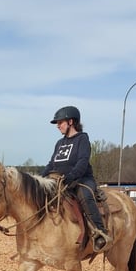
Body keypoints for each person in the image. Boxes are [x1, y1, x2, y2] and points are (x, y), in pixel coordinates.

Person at [42, 106, 112, 253]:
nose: (57, 126)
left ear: (71, 122)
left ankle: (100, 232)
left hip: (82, 179)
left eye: (60, 122)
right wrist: (40, 179)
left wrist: (70, 177)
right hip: (60, 181)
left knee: (85, 196)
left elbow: (82, 162)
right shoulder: (59, 143)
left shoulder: (82, 139)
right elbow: (51, 164)